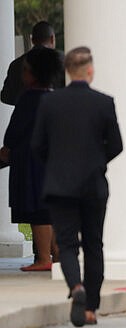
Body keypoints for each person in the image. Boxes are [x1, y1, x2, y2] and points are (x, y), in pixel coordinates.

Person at [31, 46, 123, 327]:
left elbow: (37, 146)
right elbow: (116, 145)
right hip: (93, 185)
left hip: (60, 186)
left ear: (68, 72)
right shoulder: (104, 103)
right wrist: (97, 161)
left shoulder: (50, 103)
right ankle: (90, 308)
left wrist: (56, 164)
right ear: (90, 71)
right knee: (94, 244)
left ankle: (76, 288)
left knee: (68, 245)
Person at [0, 47, 62, 271]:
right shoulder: (56, 98)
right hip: (51, 160)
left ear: (32, 73)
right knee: (50, 210)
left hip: (30, 162)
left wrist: (7, 148)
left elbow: (14, 131)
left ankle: (43, 257)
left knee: (38, 212)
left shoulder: (28, 99)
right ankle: (57, 254)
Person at [1, 20, 65, 106]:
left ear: (32, 40)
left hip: (23, 115)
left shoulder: (16, 64)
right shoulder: (63, 60)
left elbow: (5, 97)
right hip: (55, 114)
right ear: (52, 39)